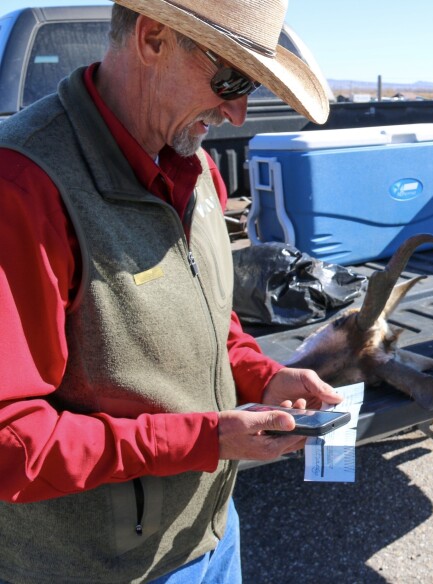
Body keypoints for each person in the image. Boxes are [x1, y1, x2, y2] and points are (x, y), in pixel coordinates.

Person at [0, 0, 342, 582]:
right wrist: (206, 439)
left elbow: (212, 320)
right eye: (232, 78)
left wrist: (264, 375)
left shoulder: (199, 169)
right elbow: (13, 442)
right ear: (154, 37)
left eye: (252, 86)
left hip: (211, 537)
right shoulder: (24, 187)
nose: (237, 113)